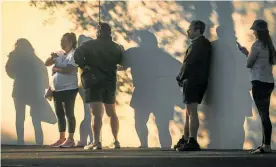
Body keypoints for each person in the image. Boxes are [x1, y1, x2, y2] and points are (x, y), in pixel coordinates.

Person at [74, 23, 124, 150]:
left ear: (98, 32)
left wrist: (84, 65)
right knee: (112, 113)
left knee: (96, 114)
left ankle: (96, 142)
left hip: (93, 82)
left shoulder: (89, 45)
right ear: (110, 32)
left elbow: (77, 55)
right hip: (109, 82)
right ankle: (116, 141)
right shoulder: (116, 47)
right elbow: (122, 61)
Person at [175, 20, 212, 151]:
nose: (188, 31)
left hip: (193, 81)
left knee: (192, 112)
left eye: (190, 28)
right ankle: (186, 138)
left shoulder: (199, 44)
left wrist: (180, 77)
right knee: (189, 112)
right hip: (194, 81)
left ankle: (193, 141)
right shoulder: (201, 43)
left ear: (197, 30)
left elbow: (189, 63)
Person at [247, 19, 276, 154]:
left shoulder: (257, 45)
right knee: (265, 114)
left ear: (257, 31)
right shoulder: (269, 45)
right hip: (269, 82)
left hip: (258, 82)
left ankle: (266, 146)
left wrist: (246, 53)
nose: (253, 32)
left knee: (263, 115)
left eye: (254, 30)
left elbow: (249, 63)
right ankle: (266, 144)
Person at [45, 33, 79, 148]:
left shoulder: (74, 54)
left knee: (69, 113)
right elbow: (47, 63)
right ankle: (61, 138)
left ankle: (70, 139)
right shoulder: (59, 53)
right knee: (59, 114)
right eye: (61, 41)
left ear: (71, 42)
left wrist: (56, 68)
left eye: (64, 41)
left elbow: (70, 69)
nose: (61, 43)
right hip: (57, 89)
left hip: (69, 89)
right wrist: (52, 57)